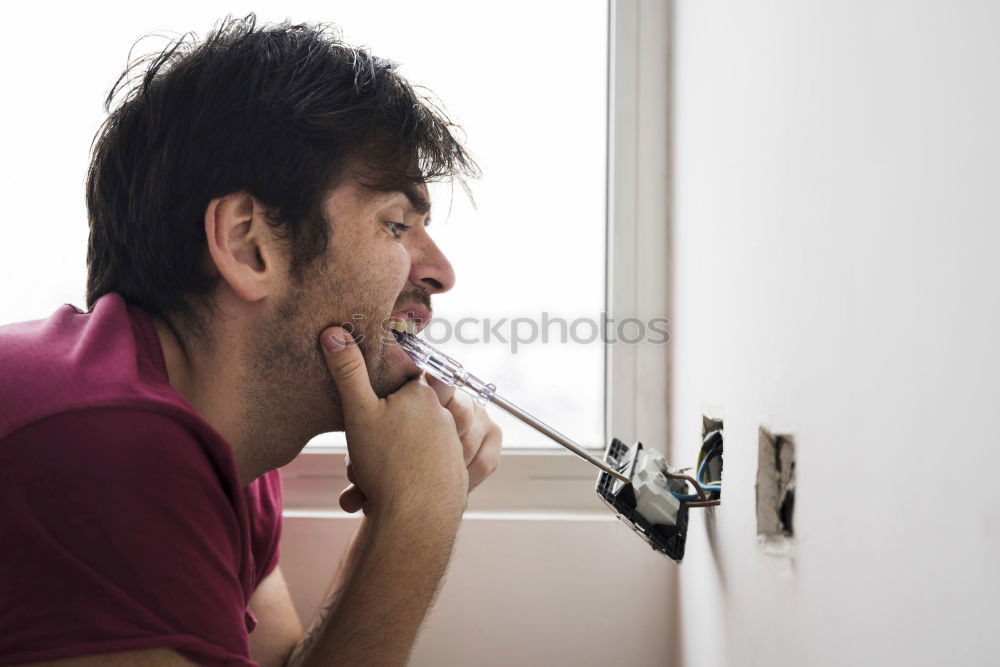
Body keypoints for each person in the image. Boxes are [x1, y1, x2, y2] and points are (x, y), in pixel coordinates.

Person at [0, 14, 502, 667]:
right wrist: (419, 519)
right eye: (397, 223)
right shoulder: (99, 442)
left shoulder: (225, 451)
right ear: (248, 244)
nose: (440, 271)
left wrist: (394, 513)